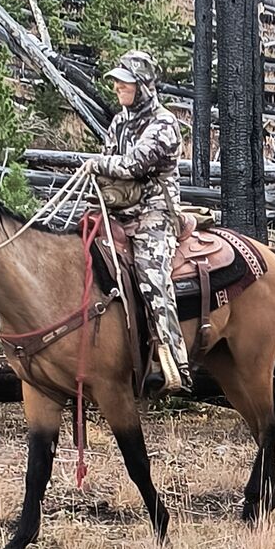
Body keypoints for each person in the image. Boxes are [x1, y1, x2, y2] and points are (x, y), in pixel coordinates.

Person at [82, 50, 190, 393]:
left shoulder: (164, 124)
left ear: (142, 85)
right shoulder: (120, 121)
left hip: (155, 212)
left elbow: (131, 165)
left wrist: (94, 164)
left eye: (124, 82)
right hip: (120, 209)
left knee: (151, 275)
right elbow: (114, 159)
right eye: (116, 81)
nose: (117, 87)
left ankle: (175, 361)